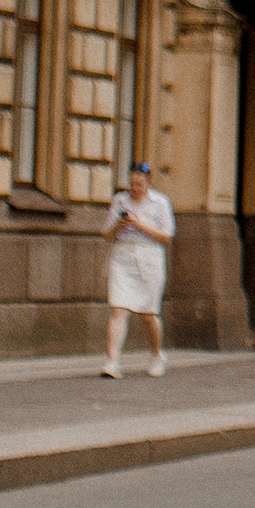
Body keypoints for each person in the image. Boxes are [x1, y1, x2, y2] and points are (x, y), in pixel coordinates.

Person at [100, 161, 175, 377]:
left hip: (149, 257)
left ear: (149, 183)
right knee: (118, 308)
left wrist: (139, 224)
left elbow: (167, 237)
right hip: (123, 257)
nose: (135, 189)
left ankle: (157, 354)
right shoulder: (120, 200)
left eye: (139, 185)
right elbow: (106, 234)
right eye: (132, 184)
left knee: (148, 314)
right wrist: (118, 225)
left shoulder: (160, 202)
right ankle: (113, 361)